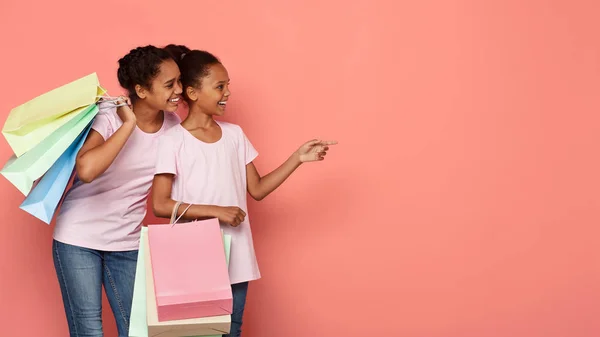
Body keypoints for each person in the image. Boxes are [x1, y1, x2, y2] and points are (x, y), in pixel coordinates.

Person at [152, 44, 337, 337]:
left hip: (237, 253)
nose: (227, 93)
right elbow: (160, 204)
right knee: (194, 332)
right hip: (193, 255)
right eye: (219, 86)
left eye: (228, 86)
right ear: (192, 92)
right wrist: (216, 212)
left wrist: (297, 159)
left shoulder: (234, 136)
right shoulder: (172, 141)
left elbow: (258, 188)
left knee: (231, 329)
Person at [52, 45, 183, 337]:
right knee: (89, 330)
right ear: (141, 90)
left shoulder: (174, 126)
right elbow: (86, 170)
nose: (179, 90)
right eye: (169, 84)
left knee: (137, 331)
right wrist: (130, 124)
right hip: (78, 239)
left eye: (179, 81)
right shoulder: (109, 116)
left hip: (127, 243)